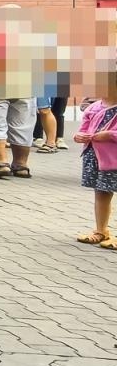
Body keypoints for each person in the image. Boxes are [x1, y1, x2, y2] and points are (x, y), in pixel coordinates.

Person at [74, 92, 117, 249]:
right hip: (96, 156)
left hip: (113, 157)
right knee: (101, 192)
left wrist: (110, 135)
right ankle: (101, 230)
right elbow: (83, 129)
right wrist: (79, 136)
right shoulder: (94, 107)